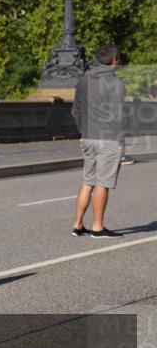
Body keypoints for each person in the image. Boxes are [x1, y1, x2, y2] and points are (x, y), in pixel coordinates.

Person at [71, 43, 126, 238]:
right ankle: (97, 227)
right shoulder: (116, 84)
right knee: (103, 182)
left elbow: (75, 111)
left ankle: (77, 225)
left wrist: (83, 131)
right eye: (118, 59)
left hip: (88, 137)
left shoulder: (83, 81)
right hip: (108, 138)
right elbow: (117, 115)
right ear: (114, 60)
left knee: (88, 181)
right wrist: (120, 141)